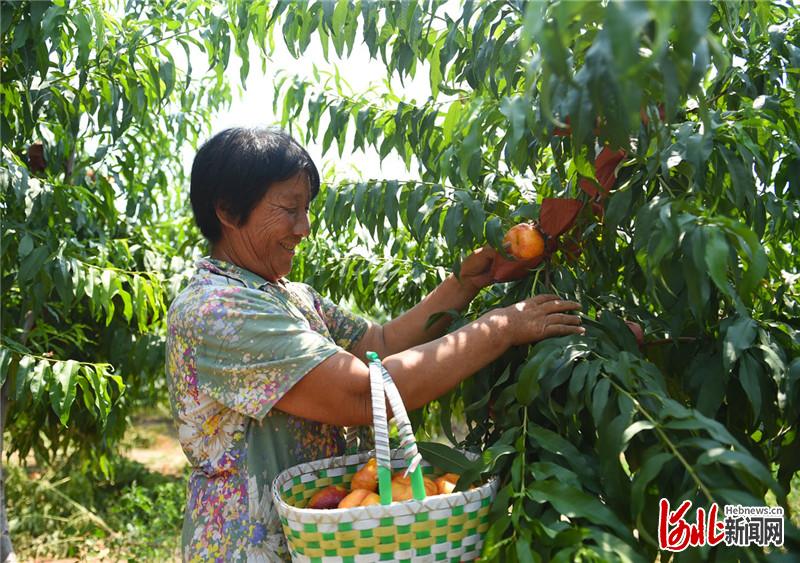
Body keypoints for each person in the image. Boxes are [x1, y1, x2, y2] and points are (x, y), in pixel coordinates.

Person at [166, 127, 584, 562]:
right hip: (250, 546)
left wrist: (466, 283)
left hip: (322, 536)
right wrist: (498, 329)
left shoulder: (288, 294)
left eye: (306, 209)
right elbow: (360, 394)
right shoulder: (217, 310)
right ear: (228, 211)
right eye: (290, 209)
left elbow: (377, 344)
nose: (304, 227)